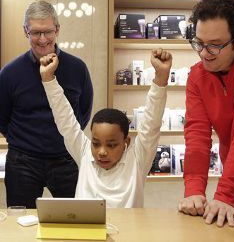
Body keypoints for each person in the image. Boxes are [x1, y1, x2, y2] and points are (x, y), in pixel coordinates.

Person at [39, 48, 171, 208]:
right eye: (96, 143)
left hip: (129, 232)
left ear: (126, 142)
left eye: (111, 144)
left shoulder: (138, 159)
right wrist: (48, 79)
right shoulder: (84, 153)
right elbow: (64, 118)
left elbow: (152, 122)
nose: (101, 152)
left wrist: (161, 77)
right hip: (87, 233)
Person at [0, 0, 93, 208]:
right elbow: (2, 119)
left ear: (57, 30)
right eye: (35, 33)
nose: (42, 40)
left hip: (67, 158)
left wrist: (68, 139)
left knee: (75, 219)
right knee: (21, 224)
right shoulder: (9, 73)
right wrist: (24, 141)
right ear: (26, 31)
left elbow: (83, 112)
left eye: (48, 32)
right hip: (22, 161)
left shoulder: (78, 69)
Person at [178, 0, 234, 228]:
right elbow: (197, 134)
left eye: (215, 45)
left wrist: (225, 194)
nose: (203, 53)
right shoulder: (197, 76)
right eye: (199, 42)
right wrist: (194, 190)